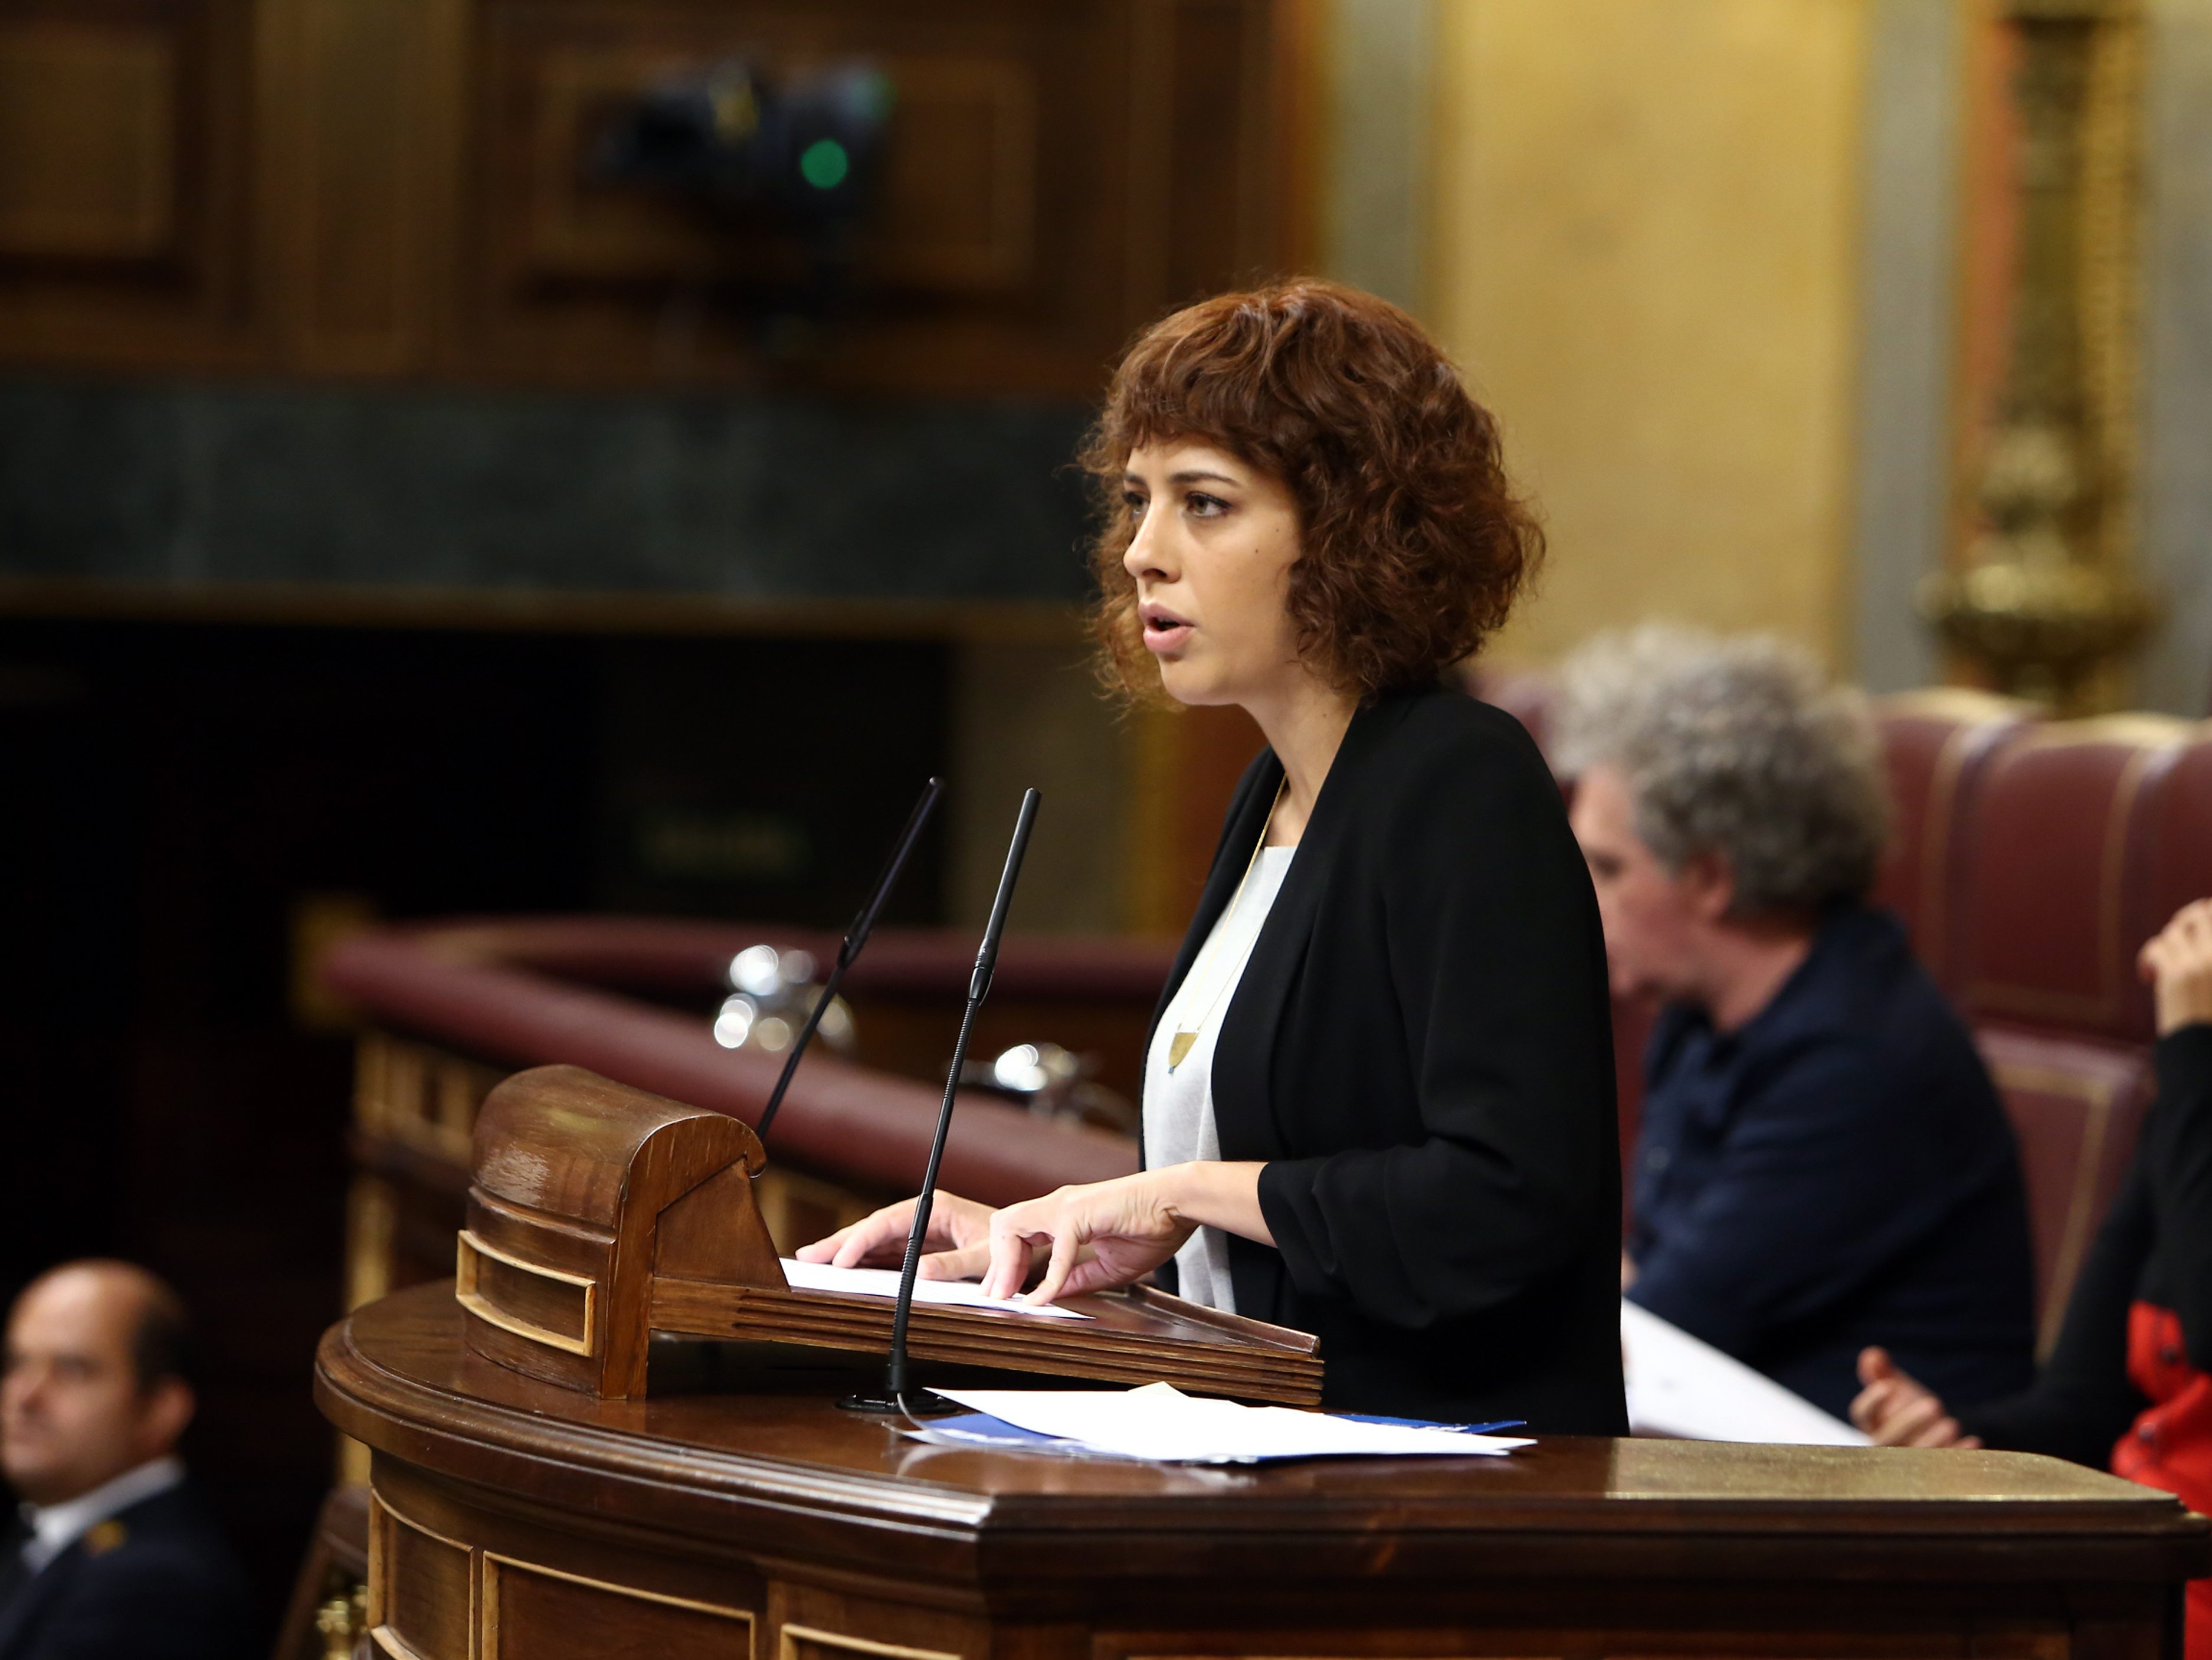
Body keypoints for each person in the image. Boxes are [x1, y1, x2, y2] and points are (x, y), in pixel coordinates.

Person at [800, 279, 1627, 1432]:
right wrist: (1028, 1236)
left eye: (1203, 503)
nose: (1142, 551)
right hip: (1261, 1444)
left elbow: (1505, 1201)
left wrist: (1178, 1193)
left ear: (1351, 530)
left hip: (1436, 1481)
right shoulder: (1269, 793)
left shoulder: (1456, 780)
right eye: (1135, 501)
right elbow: (1258, 1255)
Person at [1554, 625, 2037, 1421]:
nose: (1577, 902)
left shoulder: (1859, 1058)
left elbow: (1653, 1327)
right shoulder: (1699, 1010)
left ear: (1709, 877)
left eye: (1607, 869)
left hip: (1885, 1482)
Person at [1852, 898, 2212, 1658]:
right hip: (2127, 1590)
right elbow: (2080, 1410)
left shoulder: (2195, 1083)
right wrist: (1955, 1437)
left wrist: (2191, 1050)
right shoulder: (2191, 1103)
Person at [0, 1260, 250, 1660]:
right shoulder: (46, 1535)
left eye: (72, 1369)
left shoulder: (155, 1583)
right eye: (15, 1363)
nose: (24, 1395)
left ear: (160, 1409)